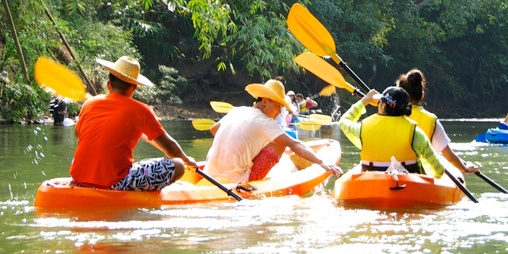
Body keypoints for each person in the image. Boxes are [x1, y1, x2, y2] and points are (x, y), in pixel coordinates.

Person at [70, 56, 196, 191]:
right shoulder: (141, 110)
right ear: (134, 88)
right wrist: (187, 160)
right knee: (178, 165)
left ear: (108, 85)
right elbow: (170, 148)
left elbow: (79, 134)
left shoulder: (89, 103)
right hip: (115, 183)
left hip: (79, 179)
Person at [204, 78, 343, 186]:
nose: (279, 112)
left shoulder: (236, 110)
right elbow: (294, 144)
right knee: (280, 144)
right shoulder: (265, 122)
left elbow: (214, 130)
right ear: (264, 102)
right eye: (278, 106)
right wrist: (321, 163)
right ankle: (252, 181)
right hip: (236, 181)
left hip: (208, 175)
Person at [338, 86, 446, 177]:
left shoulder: (363, 128)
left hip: (371, 185)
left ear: (383, 105)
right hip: (409, 189)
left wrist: (365, 100)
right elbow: (438, 171)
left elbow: (343, 121)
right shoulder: (415, 133)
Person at [397, 69, 479, 175]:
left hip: (395, 170)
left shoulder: (391, 114)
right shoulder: (431, 120)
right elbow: (449, 156)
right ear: (422, 95)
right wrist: (465, 168)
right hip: (422, 174)